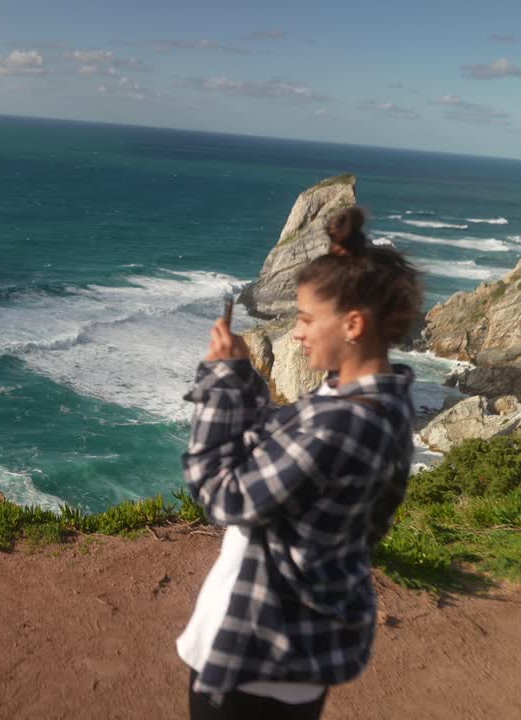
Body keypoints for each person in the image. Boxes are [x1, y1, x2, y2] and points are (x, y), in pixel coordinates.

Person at [177, 206, 422, 719]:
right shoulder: (369, 403)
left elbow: (223, 496)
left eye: (307, 319)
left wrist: (220, 388)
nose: (297, 334)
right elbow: (279, 436)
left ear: (353, 323)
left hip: (261, 653)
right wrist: (243, 377)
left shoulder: (345, 423)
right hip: (295, 643)